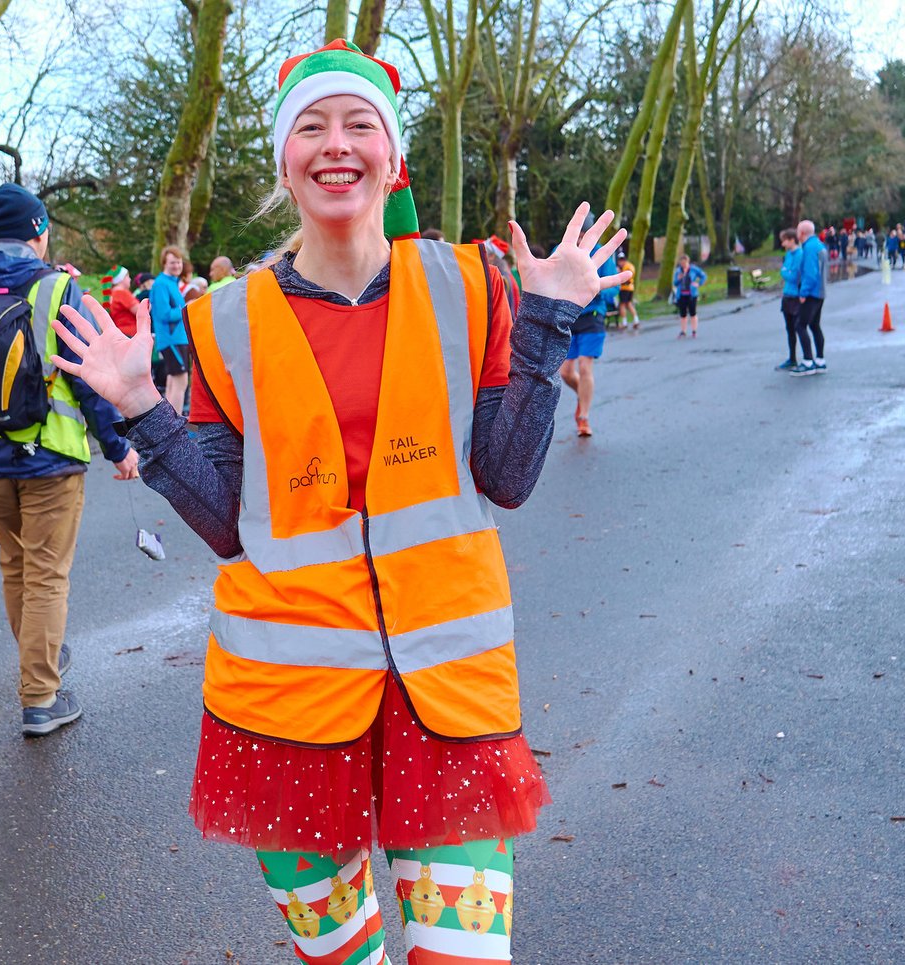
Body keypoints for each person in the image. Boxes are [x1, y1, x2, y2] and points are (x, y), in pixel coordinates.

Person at [50, 38, 628, 964]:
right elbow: (224, 518)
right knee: (341, 958)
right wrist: (140, 410)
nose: (336, 143)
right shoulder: (223, 318)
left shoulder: (471, 286)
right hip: (288, 705)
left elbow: (507, 477)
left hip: (445, 688)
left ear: (392, 157)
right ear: (284, 162)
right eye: (311, 126)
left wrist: (546, 323)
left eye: (360, 124)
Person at [0, 183, 139, 736]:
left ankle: (39, 660)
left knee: (16, 564)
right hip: (51, 458)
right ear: (39, 231)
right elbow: (91, 384)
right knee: (46, 574)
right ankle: (40, 697)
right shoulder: (58, 290)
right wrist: (119, 448)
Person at [559, 211, 620, 438]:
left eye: (584, 234)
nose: (580, 239)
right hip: (568, 317)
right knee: (565, 372)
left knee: (585, 367)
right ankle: (582, 396)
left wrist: (595, 290)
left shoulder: (601, 254)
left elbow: (613, 286)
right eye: (578, 234)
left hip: (592, 316)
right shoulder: (562, 250)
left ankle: (583, 418)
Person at [149, 246, 191, 414]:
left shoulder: (171, 283)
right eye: (173, 262)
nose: (177, 266)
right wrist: (186, 308)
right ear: (164, 264)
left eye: (179, 262)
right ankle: (176, 424)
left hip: (178, 339)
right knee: (181, 381)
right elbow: (163, 314)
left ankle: (172, 421)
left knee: (174, 381)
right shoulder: (161, 284)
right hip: (172, 340)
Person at [791, 218, 827, 376]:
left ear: (802, 233)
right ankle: (820, 360)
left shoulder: (809, 248)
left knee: (800, 325)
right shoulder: (819, 245)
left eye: (798, 231)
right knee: (814, 325)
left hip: (811, 293)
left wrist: (803, 293)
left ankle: (807, 361)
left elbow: (810, 273)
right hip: (820, 292)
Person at [776, 228, 802, 371]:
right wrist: (786, 272)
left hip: (795, 296)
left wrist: (785, 272)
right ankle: (792, 358)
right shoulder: (788, 255)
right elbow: (785, 271)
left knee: (799, 328)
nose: (782, 243)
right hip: (787, 295)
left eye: (784, 240)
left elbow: (793, 276)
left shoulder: (799, 254)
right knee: (789, 329)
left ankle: (807, 359)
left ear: (792, 240)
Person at [672, 253, 707, 339]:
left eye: (684, 263)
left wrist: (699, 284)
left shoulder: (694, 269)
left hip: (692, 294)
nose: (683, 265)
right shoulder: (678, 271)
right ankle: (683, 331)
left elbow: (703, 276)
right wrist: (679, 279)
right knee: (683, 314)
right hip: (681, 295)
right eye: (681, 264)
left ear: (688, 262)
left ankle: (694, 330)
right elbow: (675, 283)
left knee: (693, 313)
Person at [106, 265, 140, 337]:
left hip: (119, 333)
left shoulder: (112, 294)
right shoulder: (121, 293)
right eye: (127, 277)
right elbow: (140, 311)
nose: (130, 279)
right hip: (130, 333)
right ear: (121, 279)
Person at [616, 249, 639, 330]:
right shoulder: (630, 265)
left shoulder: (625, 267)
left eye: (621, 260)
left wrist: (619, 272)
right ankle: (636, 320)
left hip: (624, 288)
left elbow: (625, 279)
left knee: (622, 305)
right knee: (629, 304)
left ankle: (625, 322)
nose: (620, 262)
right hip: (630, 288)